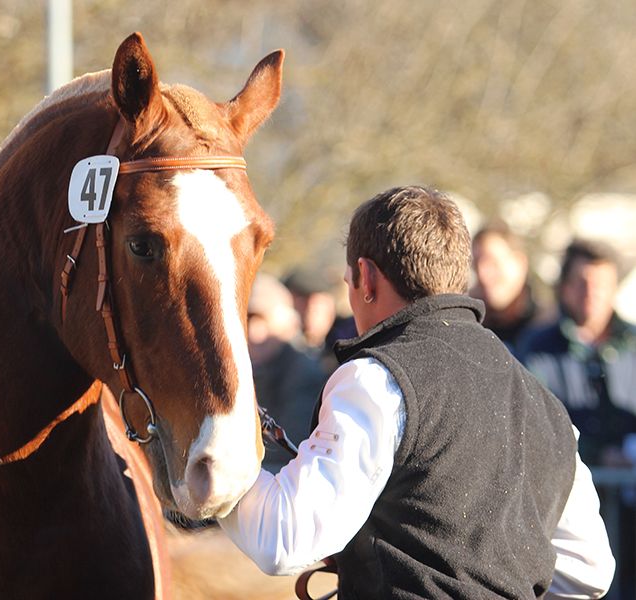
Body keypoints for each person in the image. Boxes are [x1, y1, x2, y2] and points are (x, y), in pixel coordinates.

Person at [221, 186, 615, 598]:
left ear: (367, 278)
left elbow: (283, 538)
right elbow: (590, 571)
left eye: (349, 281)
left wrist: (214, 466)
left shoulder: (374, 381)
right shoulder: (544, 403)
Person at [520, 240, 636, 467]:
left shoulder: (632, 344)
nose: (592, 293)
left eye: (602, 284)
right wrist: (595, 454)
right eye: (582, 282)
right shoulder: (538, 349)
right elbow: (534, 427)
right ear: (565, 287)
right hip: (569, 488)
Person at [247, 273, 328, 471]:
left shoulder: (304, 374)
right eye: (245, 320)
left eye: (261, 320)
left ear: (286, 323)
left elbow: (287, 451)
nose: (252, 332)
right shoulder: (250, 369)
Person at [470, 220, 547, 354]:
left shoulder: (546, 329)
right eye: (476, 264)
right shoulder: (469, 327)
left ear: (520, 263)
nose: (483, 274)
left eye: (493, 262)